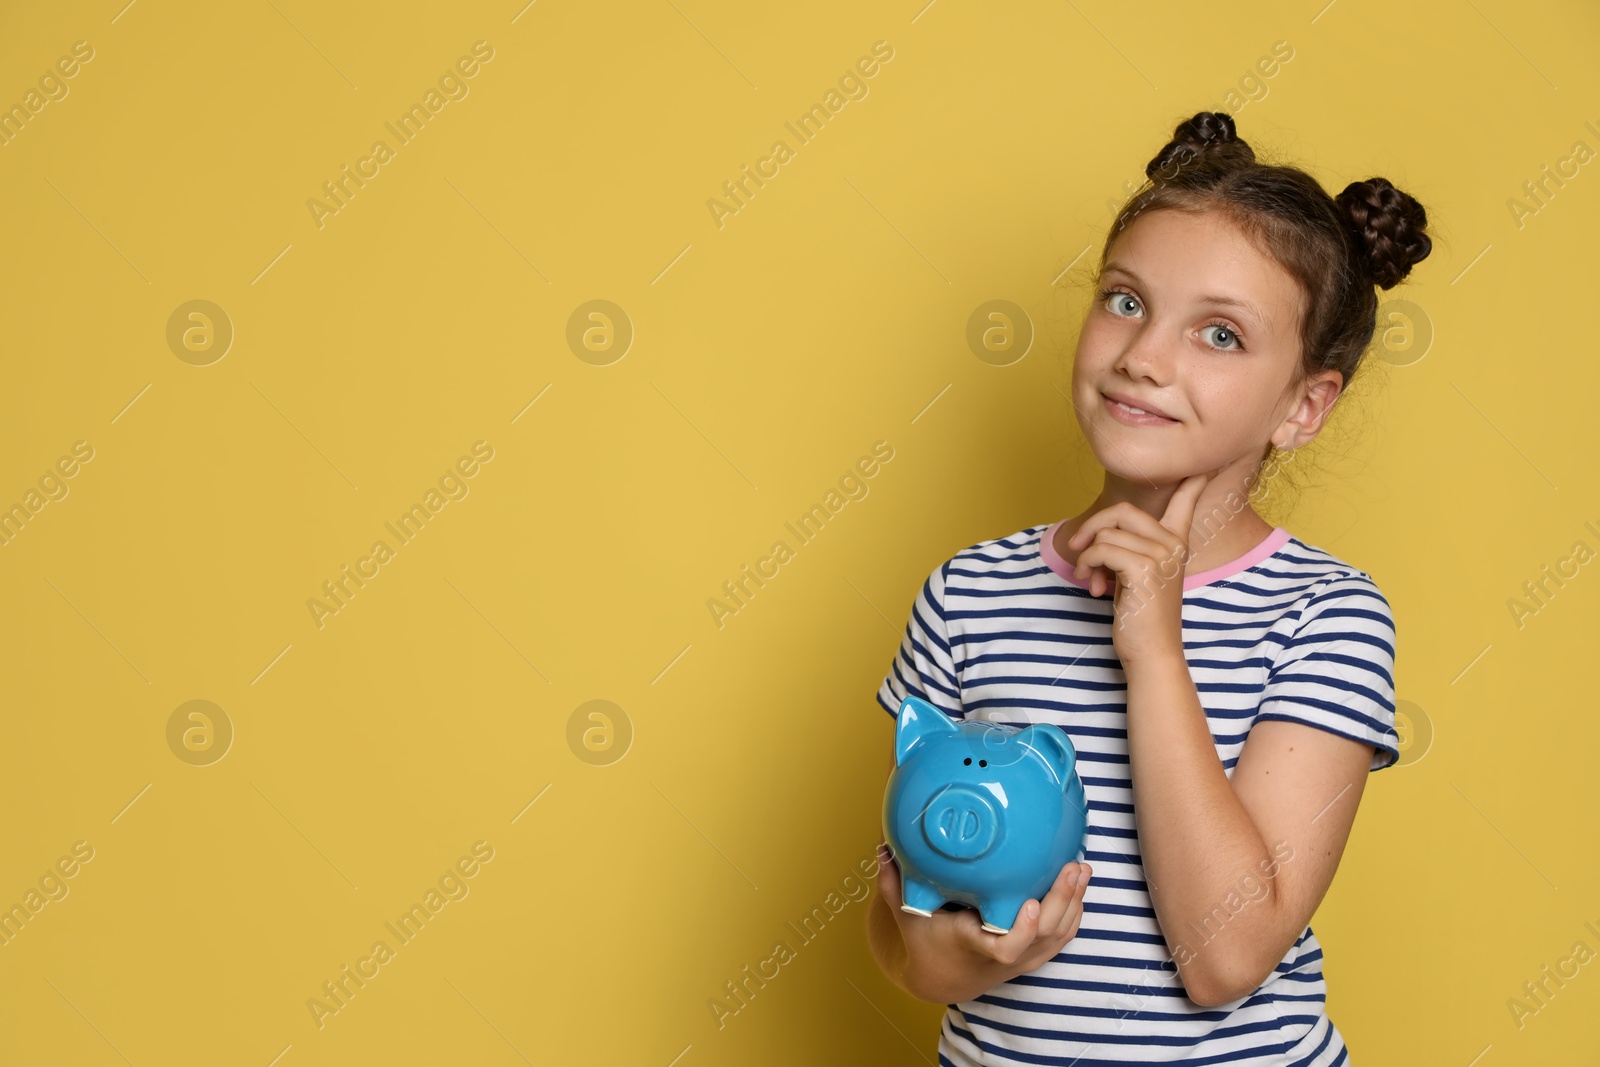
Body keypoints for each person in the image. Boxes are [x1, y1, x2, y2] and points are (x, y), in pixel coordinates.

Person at [865, 109, 1432, 1065]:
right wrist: (960, 957)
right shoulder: (970, 594)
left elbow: (1226, 958)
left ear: (1303, 404)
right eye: (1125, 301)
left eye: (1219, 333)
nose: (1144, 356)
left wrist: (1154, 649)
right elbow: (904, 938)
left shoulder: (1324, 614)